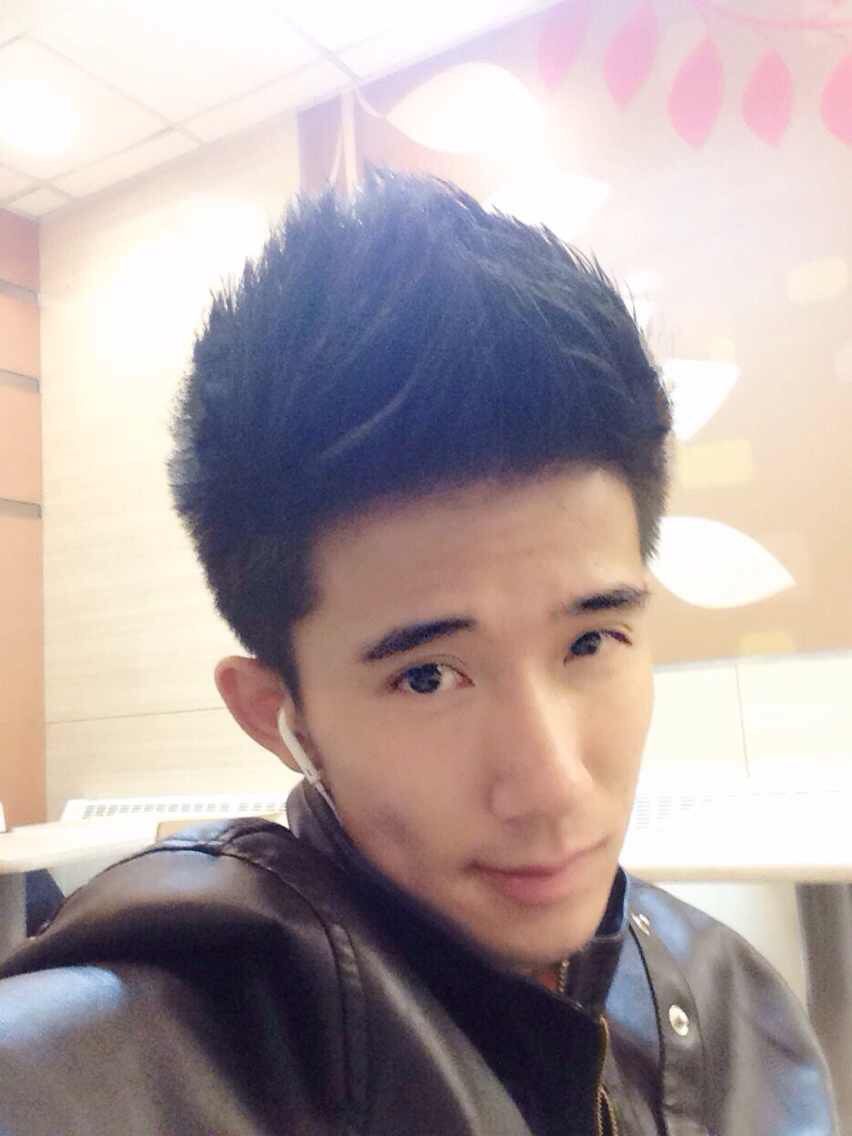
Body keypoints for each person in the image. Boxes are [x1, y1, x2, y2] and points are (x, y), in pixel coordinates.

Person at [0, 171, 837, 1135]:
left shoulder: (740, 1013)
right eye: (428, 676)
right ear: (281, 717)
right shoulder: (131, 1060)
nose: (553, 786)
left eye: (590, 640)